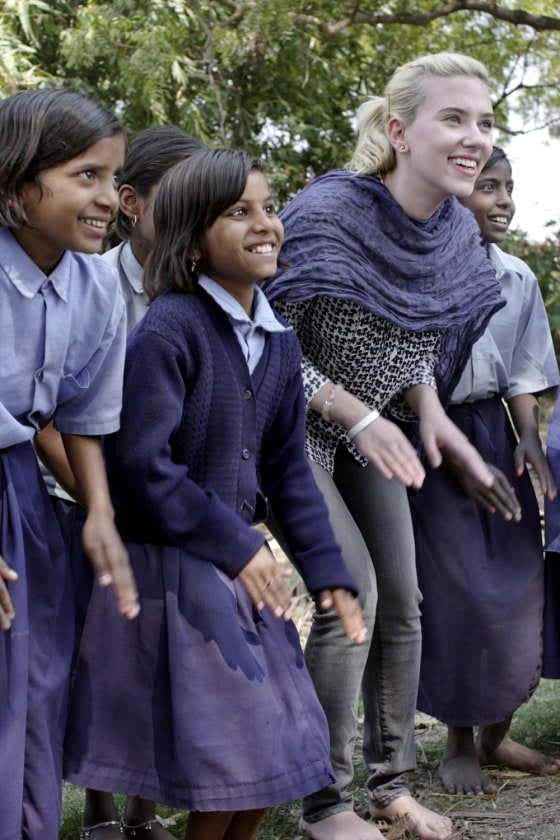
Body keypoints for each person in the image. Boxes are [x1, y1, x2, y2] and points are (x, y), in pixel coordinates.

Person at [63, 148, 367, 840]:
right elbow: (143, 464)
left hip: (237, 573)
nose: (265, 224)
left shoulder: (280, 342)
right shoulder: (169, 330)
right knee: (233, 759)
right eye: (239, 212)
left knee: (283, 751)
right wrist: (234, 546)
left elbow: (289, 473)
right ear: (192, 239)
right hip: (177, 573)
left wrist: (328, 575)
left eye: (268, 207)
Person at [261, 52, 511, 840]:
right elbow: (260, 343)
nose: (475, 138)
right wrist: (350, 410)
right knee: (351, 594)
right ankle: (323, 803)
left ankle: (389, 784)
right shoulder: (330, 211)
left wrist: (429, 415)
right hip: (289, 421)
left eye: (485, 121)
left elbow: (413, 345)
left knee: (404, 601)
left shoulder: (452, 235)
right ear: (400, 132)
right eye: (454, 118)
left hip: (374, 425)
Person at [39, 125, 206, 840]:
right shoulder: (90, 280)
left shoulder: (201, 293)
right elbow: (51, 412)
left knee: (162, 658)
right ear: (132, 203)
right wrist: (95, 502)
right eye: (183, 197)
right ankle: (102, 812)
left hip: (166, 504)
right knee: (96, 655)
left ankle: (145, 809)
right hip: (83, 498)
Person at [0, 88, 139, 840]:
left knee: (38, 681)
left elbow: (83, 413)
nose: (108, 199)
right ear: (18, 181)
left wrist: (102, 516)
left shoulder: (95, 285)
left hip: (26, 492)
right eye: (84, 175)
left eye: (113, 179)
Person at [410, 145, 560, 797]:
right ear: (449, 196)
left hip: (494, 437)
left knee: (519, 582)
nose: (503, 200)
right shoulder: (417, 273)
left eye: (508, 187)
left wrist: (528, 438)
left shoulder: (516, 277)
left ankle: (499, 731)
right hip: (431, 440)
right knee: (457, 592)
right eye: (487, 188)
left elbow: (525, 373)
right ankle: (460, 741)